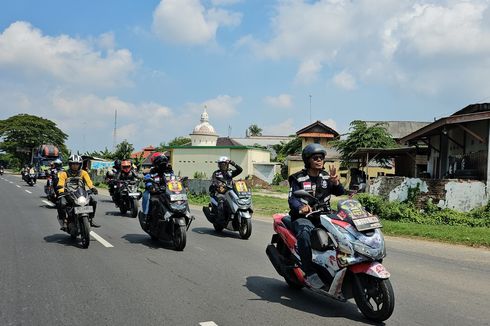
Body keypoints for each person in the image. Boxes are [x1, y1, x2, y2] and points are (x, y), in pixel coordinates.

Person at [288, 143, 345, 289]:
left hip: (324, 215)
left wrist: (336, 182)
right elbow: (292, 198)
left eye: (321, 158)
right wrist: (301, 208)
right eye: (315, 158)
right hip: (304, 217)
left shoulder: (326, 176)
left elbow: (339, 192)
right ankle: (310, 272)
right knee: (305, 233)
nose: (319, 160)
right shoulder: (298, 178)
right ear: (308, 160)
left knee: (343, 231)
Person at [56, 154, 100, 228]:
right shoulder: (64, 173)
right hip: (68, 194)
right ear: (70, 164)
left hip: (81, 194)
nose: (75, 166)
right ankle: (64, 220)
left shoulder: (83, 173)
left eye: (77, 164)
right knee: (61, 203)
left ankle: (91, 219)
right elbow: (60, 183)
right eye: (73, 164)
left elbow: (89, 182)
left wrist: (92, 188)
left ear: (80, 165)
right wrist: (61, 190)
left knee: (93, 201)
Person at [140, 152, 174, 223]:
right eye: (161, 162)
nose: (163, 164)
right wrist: (150, 186)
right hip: (155, 191)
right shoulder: (152, 171)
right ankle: (145, 215)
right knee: (146, 195)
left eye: (164, 161)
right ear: (156, 163)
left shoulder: (169, 171)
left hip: (168, 191)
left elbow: (174, 178)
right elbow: (147, 178)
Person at [209, 156, 243, 223]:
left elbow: (240, 170)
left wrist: (233, 163)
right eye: (221, 164)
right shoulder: (216, 173)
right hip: (221, 192)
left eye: (225, 164)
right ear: (219, 165)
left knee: (240, 199)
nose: (223, 166)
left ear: (227, 164)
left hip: (231, 191)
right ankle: (221, 219)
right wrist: (219, 184)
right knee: (221, 201)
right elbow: (214, 181)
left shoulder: (230, 172)